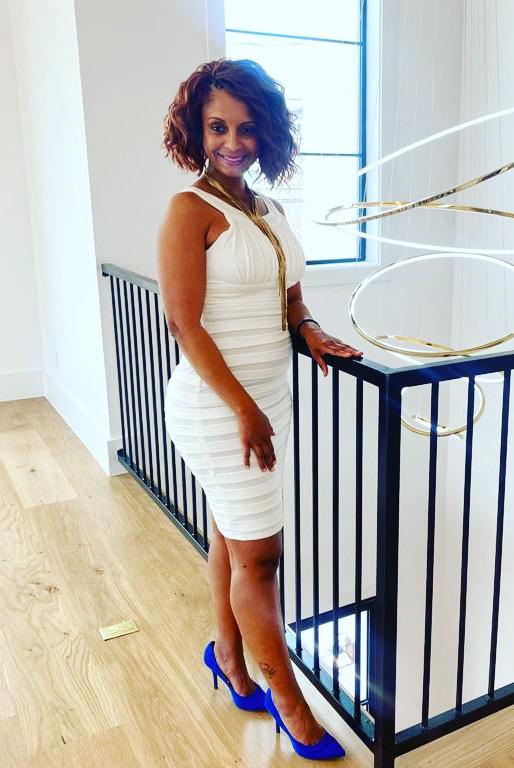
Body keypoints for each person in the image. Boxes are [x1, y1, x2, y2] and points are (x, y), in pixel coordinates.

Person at [157, 58, 363, 760]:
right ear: (196, 130)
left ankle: (228, 656)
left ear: (266, 133)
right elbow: (185, 325)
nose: (233, 142)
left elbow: (290, 297)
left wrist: (312, 331)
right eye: (218, 127)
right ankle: (291, 706)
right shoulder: (190, 210)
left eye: (247, 129)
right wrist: (246, 411)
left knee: (232, 535)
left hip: (265, 398)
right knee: (261, 560)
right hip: (222, 408)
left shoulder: (266, 209)